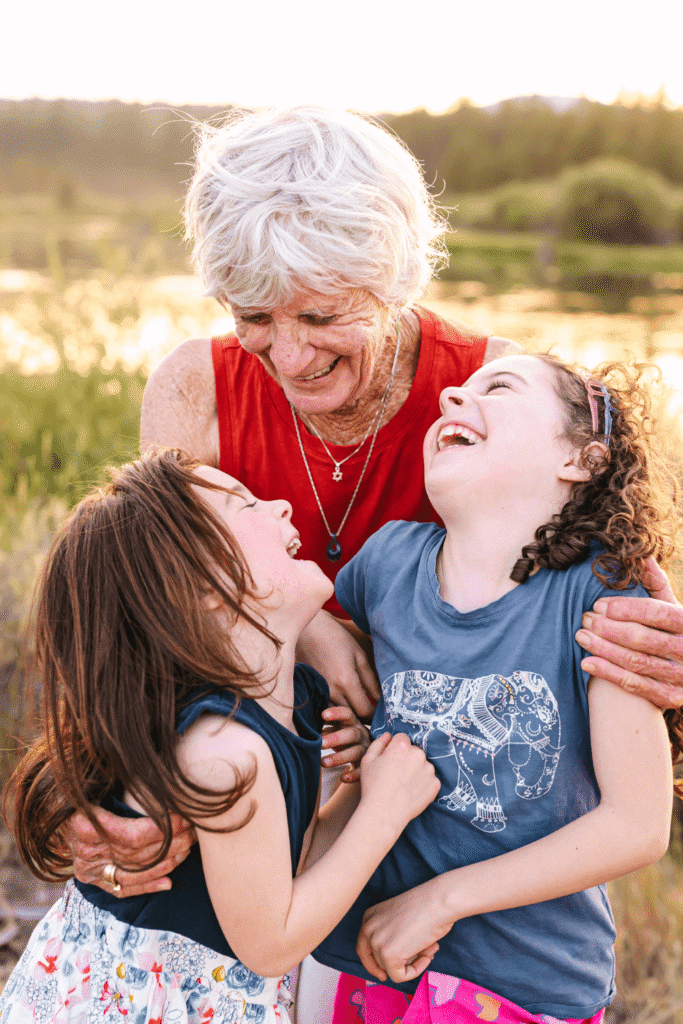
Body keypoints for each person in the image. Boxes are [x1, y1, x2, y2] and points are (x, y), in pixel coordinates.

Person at [67, 105, 682, 939]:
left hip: (439, 830)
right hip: (250, 801)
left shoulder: (493, 403)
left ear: (393, 281)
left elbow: (611, 604)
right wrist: (89, 786)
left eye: (320, 317)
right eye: (252, 316)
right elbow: (136, 623)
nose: (287, 356)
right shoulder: (193, 391)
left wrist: (657, 648)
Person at [0, 449, 440, 1024]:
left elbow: (289, 866)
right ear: (204, 583)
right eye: (246, 505)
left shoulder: (294, 698)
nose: (281, 505)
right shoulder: (222, 750)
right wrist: (384, 811)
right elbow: (271, 945)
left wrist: (362, 788)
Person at [309, 354, 682, 1023]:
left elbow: (635, 826)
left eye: (498, 387)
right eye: (457, 390)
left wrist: (438, 900)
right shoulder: (386, 564)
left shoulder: (597, 597)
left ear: (581, 460)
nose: (452, 394)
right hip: (366, 957)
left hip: (521, 978)